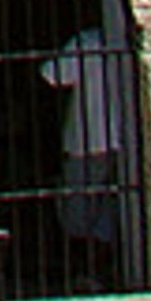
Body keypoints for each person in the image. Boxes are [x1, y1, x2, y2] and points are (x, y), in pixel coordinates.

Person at [41, 22, 136, 258]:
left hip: (90, 139)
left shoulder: (88, 42)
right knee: (113, 205)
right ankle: (108, 262)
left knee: (79, 208)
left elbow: (52, 74)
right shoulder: (126, 40)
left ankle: (86, 261)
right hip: (126, 138)